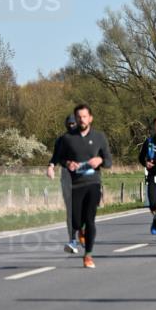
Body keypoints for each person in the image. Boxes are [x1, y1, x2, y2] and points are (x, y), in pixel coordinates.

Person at [56, 103, 112, 267]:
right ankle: (80, 230)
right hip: (75, 185)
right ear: (76, 118)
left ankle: (88, 255)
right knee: (76, 221)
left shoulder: (99, 137)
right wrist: (68, 163)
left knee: (90, 219)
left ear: (90, 118)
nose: (82, 120)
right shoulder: (67, 139)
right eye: (79, 117)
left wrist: (99, 160)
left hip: (93, 183)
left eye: (84, 116)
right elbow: (59, 158)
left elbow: (108, 161)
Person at [47, 114, 80, 253]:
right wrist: (51, 167)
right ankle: (72, 240)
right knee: (70, 210)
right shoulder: (61, 140)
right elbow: (56, 156)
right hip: (67, 176)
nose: (71, 126)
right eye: (69, 124)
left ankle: (83, 232)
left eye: (73, 124)